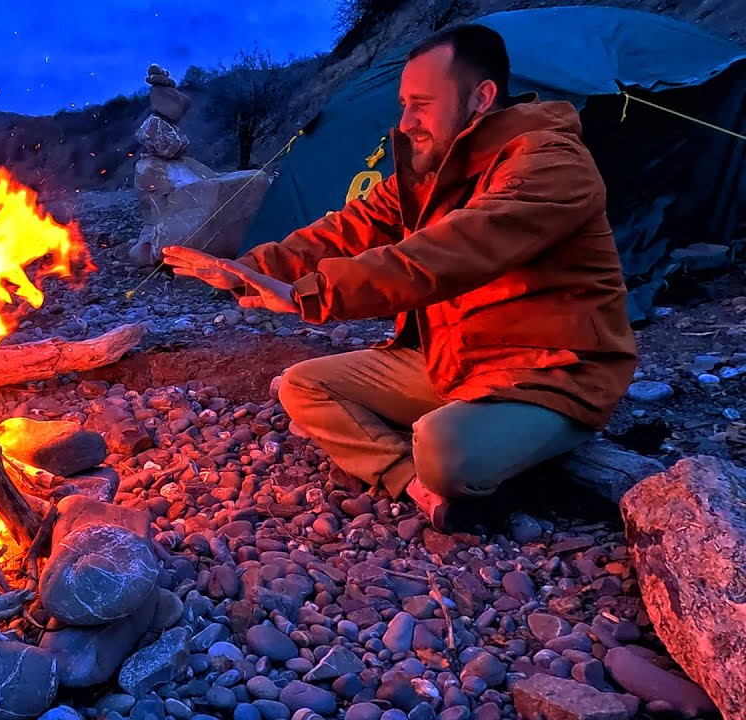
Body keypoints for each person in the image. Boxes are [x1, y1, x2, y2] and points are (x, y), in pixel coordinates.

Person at [163, 24, 637, 532]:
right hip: (455, 360)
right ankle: (414, 485)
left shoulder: (550, 162)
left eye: (422, 104)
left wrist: (312, 294)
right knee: (302, 385)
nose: (406, 122)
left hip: (547, 371)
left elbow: (453, 251)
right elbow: (346, 229)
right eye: (404, 104)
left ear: (481, 97)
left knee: (445, 450)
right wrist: (253, 270)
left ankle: (511, 448)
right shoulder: (432, 171)